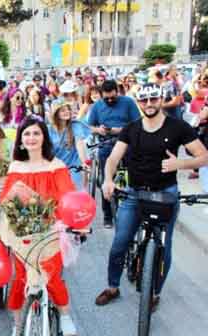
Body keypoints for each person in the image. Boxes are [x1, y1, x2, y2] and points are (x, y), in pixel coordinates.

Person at [95, 84, 208, 309]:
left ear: (161, 99)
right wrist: (108, 179)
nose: (149, 104)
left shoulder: (178, 127)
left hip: (165, 194)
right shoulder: (131, 128)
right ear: (138, 102)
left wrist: (180, 163)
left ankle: (154, 293)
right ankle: (112, 287)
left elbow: (203, 156)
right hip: (135, 193)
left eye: (153, 99)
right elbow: (113, 159)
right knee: (119, 243)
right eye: (144, 100)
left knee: (165, 248)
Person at [0, 117, 78, 336]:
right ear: (20, 140)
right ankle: (18, 327)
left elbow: (67, 195)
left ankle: (64, 315)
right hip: (23, 231)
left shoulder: (56, 165)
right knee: (21, 277)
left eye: (36, 133)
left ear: (44, 137)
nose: (31, 138)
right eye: (27, 134)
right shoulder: (16, 166)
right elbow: (6, 200)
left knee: (51, 275)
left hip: (51, 229)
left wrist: (70, 221)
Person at [87, 79, 141, 228]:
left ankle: (129, 210)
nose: (110, 100)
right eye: (107, 98)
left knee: (129, 177)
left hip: (126, 143)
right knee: (107, 178)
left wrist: (120, 130)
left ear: (117, 92)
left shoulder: (128, 102)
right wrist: (98, 130)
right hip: (106, 143)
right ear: (101, 95)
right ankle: (108, 215)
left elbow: (138, 123)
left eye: (113, 97)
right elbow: (89, 126)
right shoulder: (97, 106)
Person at [48, 102, 90, 189]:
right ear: (56, 113)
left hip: (74, 164)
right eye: (63, 110)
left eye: (68, 109)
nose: (67, 112)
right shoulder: (49, 129)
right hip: (56, 165)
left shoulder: (75, 125)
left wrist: (84, 163)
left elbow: (80, 144)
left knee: (76, 189)